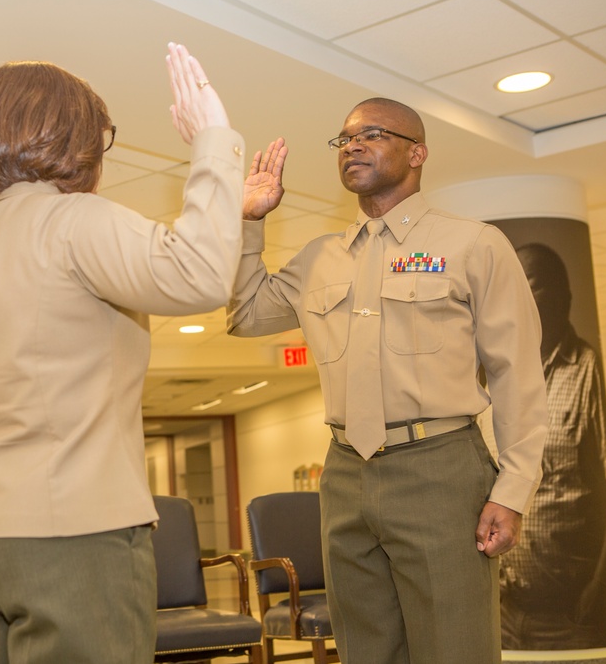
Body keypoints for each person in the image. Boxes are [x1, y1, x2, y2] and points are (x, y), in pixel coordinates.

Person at [0, 42, 243, 663]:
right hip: (70, 539)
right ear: (76, 139)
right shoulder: (76, 221)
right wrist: (214, 140)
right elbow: (201, 275)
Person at [229, 98, 547, 664]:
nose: (352, 145)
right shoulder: (319, 257)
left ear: (417, 152)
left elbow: (516, 373)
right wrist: (249, 222)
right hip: (346, 471)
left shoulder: (473, 244)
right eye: (345, 138)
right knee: (365, 648)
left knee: (455, 646)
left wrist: (514, 488)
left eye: (372, 134)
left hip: (441, 468)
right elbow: (246, 314)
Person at [499, 243, 606, 649]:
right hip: (503, 608)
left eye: (534, 287)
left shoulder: (588, 369)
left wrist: (601, 586)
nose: (523, 298)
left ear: (565, 298)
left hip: (568, 612)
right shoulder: (498, 378)